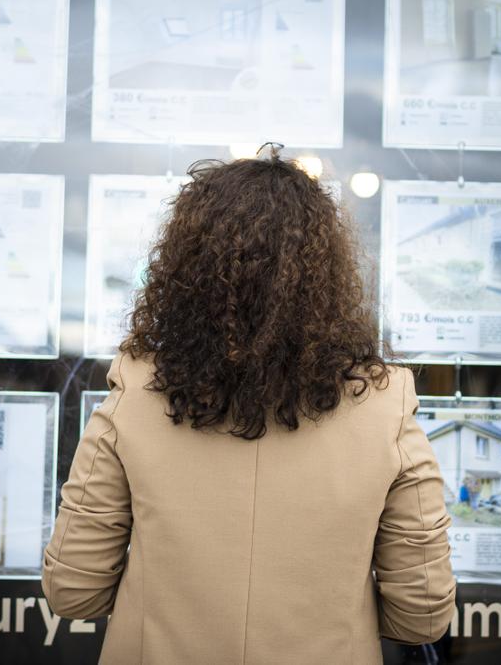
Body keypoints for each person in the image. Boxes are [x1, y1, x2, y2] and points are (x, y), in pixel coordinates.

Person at [42, 149, 455, 663]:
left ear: (184, 269)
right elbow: (422, 615)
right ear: (328, 274)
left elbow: (72, 592)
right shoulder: (384, 403)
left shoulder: (136, 392)